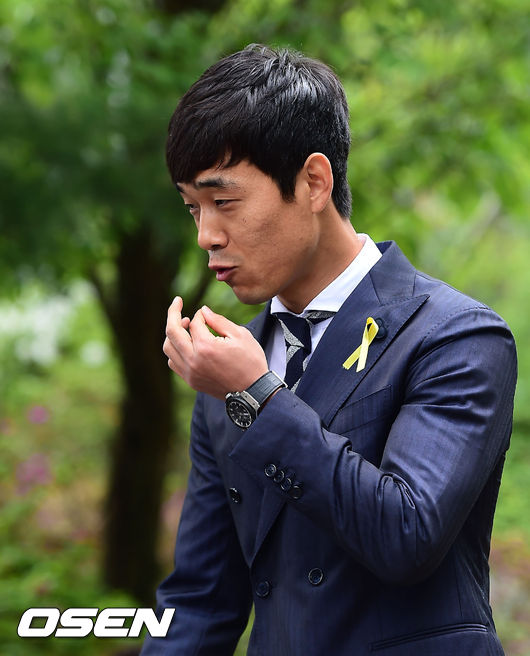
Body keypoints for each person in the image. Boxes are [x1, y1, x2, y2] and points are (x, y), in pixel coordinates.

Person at [140, 44, 517, 655]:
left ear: (314, 181)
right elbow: (202, 601)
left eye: (224, 201)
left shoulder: (455, 335)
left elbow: (407, 535)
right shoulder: (232, 365)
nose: (206, 235)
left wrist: (258, 395)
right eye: (193, 208)